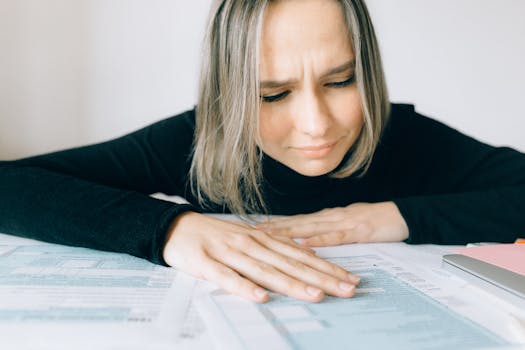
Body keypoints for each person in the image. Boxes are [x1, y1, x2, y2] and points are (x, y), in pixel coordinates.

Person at [1, 0, 524, 304]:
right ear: (228, 92)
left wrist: (392, 217)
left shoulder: (405, 137)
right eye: (271, 94)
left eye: (341, 82)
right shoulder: (194, 140)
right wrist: (169, 229)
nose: (316, 124)